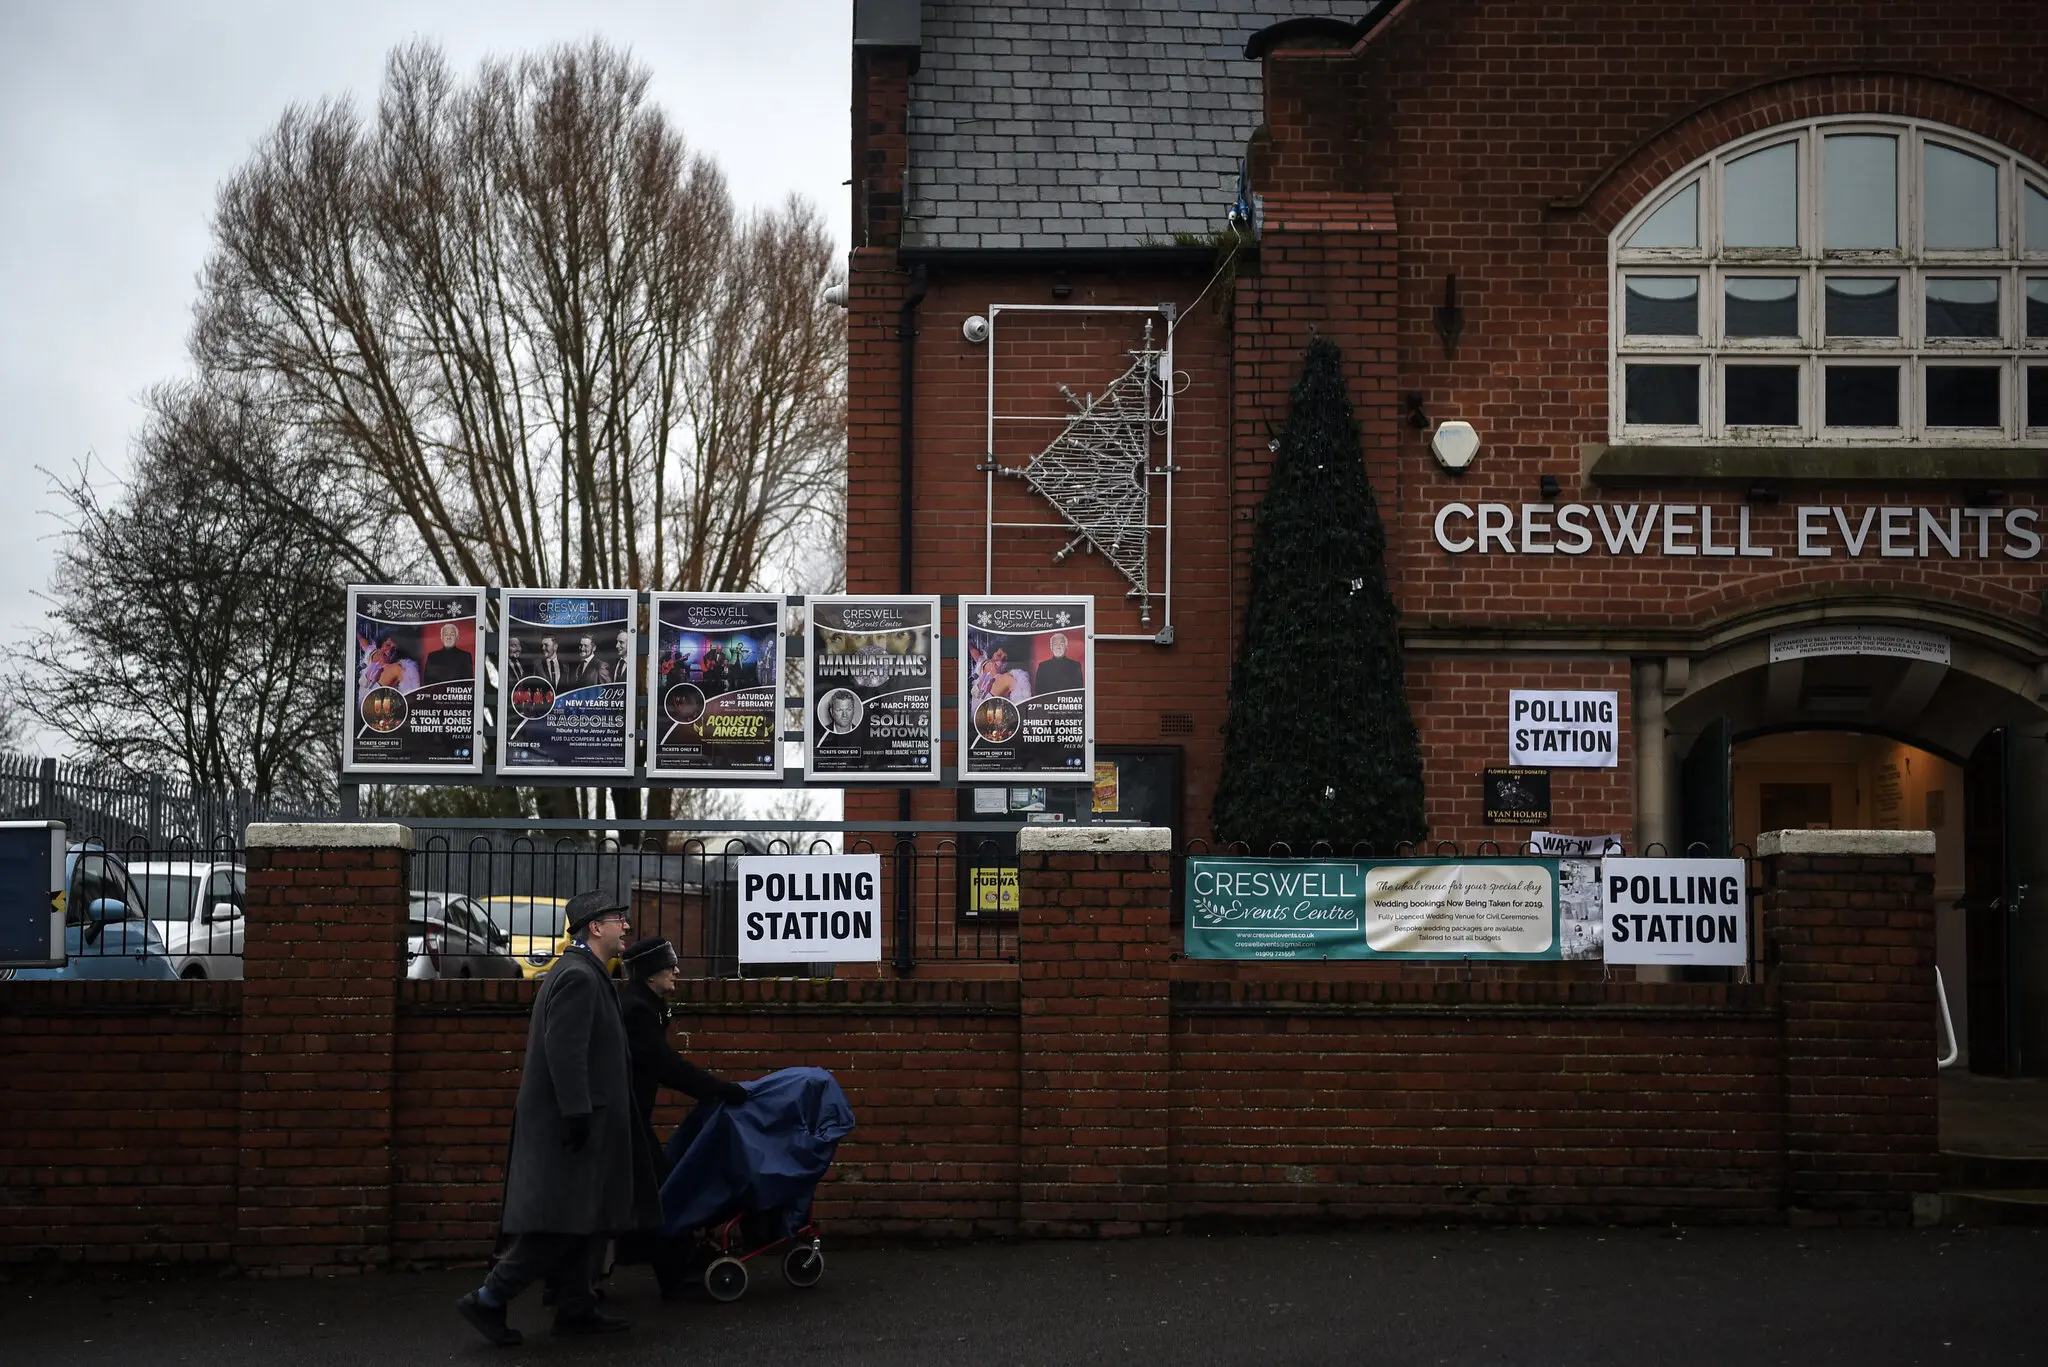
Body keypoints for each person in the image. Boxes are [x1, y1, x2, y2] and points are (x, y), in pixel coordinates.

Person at [458, 892, 655, 1347]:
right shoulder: (578, 978)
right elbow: (565, 1053)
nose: (626, 926)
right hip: (572, 1125)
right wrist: (577, 1113)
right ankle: (488, 1299)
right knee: (558, 1223)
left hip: (586, 1119)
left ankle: (576, 1307)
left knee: (587, 1216)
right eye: (617, 919)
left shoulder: (588, 973)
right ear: (594, 927)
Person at [614, 936, 751, 1298]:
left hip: (629, 1118)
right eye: (668, 966)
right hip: (625, 1120)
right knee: (660, 1195)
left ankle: (670, 1270)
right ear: (649, 974)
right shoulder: (637, 1010)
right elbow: (667, 1066)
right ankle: (676, 1276)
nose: (676, 970)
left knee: (638, 1197)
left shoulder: (647, 1004)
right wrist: (719, 1090)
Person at [423, 621, 474, 685]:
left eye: (452, 635)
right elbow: (428, 681)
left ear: (457, 637)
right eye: (446, 634)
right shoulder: (432, 656)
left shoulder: (465, 656)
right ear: (441, 638)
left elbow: (468, 682)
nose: (449, 637)